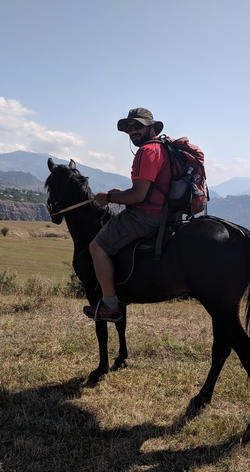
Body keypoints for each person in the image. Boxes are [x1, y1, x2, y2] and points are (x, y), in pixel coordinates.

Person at [83, 108, 171, 322]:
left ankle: (110, 307)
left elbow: (139, 196)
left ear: (152, 127)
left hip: (147, 215)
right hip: (166, 212)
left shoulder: (146, 151)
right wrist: (121, 193)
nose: (132, 131)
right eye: (129, 128)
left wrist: (109, 198)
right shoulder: (164, 148)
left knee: (97, 247)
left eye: (137, 126)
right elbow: (150, 189)